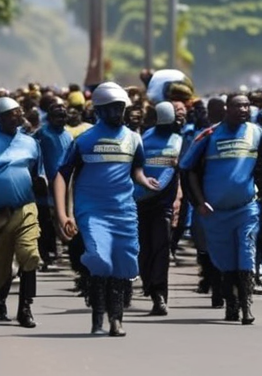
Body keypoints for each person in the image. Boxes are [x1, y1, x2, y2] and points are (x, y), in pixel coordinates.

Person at [54, 82, 159, 337]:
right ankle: (97, 313)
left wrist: (144, 180)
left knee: (124, 263)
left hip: (123, 210)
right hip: (92, 210)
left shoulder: (134, 139)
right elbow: (62, 175)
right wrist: (62, 214)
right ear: (99, 110)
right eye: (110, 109)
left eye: (120, 108)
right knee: (101, 258)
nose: (116, 113)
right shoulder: (83, 140)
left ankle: (115, 318)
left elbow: (136, 169)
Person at [180, 94, 262, 325]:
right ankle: (232, 304)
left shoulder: (257, 133)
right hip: (215, 213)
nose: (243, 109)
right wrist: (198, 202)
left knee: (247, 252)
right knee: (225, 260)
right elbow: (188, 170)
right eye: (238, 105)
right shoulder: (209, 134)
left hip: (246, 209)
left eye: (247, 105)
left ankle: (246, 306)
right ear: (227, 109)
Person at [0, 97, 45, 328]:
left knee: (30, 255)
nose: (16, 117)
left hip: (26, 208)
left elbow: (38, 171)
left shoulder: (30, 143)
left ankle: (25, 308)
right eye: (10, 114)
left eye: (19, 113)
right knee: (1, 266)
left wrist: (41, 184)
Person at [134, 102, 183, 316]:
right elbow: (135, 167)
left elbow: (181, 171)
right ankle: (149, 285)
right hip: (141, 200)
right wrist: (144, 182)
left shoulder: (179, 140)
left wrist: (179, 198)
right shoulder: (144, 138)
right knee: (145, 249)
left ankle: (159, 295)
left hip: (164, 204)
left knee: (162, 247)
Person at [32, 99, 72, 271]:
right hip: (45, 184)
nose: (61, 118)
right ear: (49, 117)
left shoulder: (68, 135)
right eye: (57, 115)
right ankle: (46, 254)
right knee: (45, 221)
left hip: (64, 185)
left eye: (63, 115)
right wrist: (38, 176)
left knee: (62, 217)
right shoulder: (42, 134)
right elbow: (34, 155)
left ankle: (61, 250)